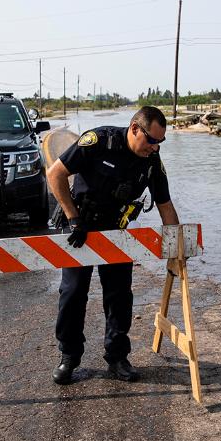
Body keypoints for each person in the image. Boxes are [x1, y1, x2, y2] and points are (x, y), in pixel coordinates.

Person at [45, 106, 179, 385]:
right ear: (134, 129)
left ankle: (117, 357)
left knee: (119, 296)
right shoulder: (99, 141)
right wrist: (73, 218)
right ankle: (69, 356)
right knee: (72, 293)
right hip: (80, 228)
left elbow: (165, 205)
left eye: (160, 142)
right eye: (151, 140)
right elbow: (55, 174)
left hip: (117, 232)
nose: (155, 148)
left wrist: (176, 246)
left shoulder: (152, 161)